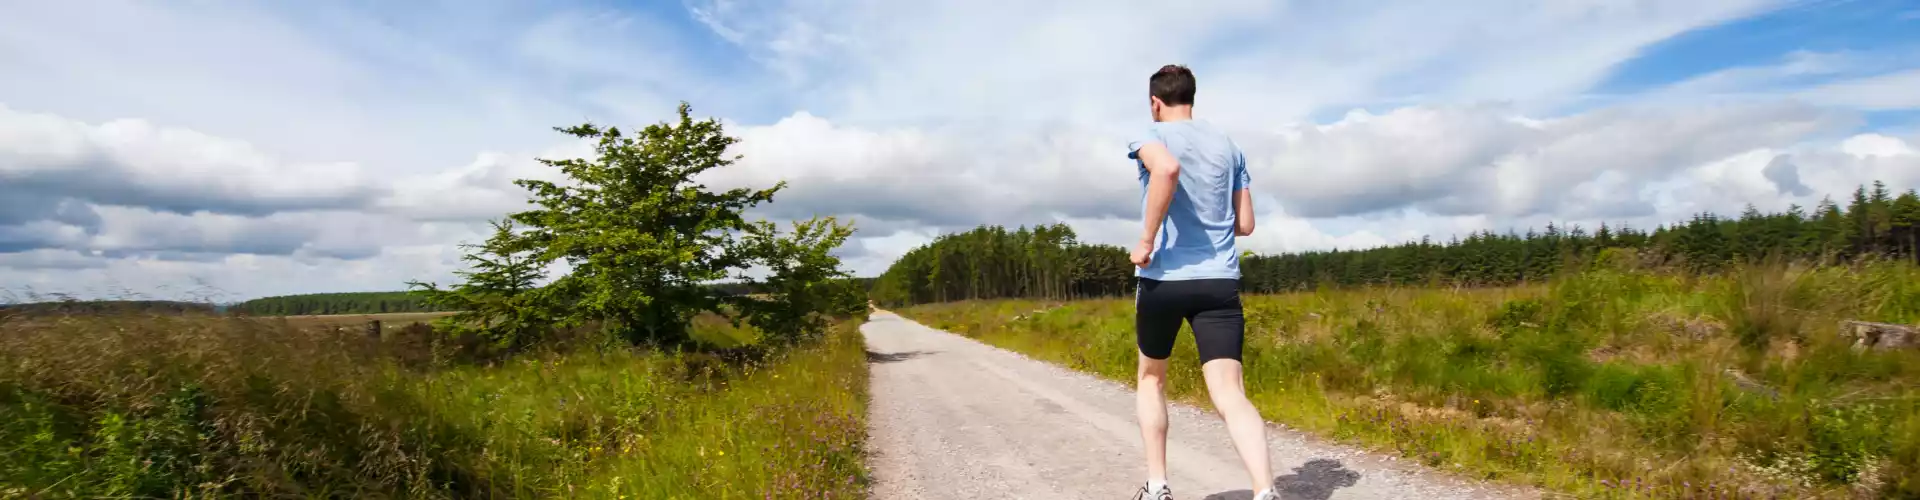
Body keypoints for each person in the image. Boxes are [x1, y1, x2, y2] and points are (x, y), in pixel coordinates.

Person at [1125, 64, 1274, 500]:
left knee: (1151, 379)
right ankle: (1265, 491)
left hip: (1163, 279)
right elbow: (1245, 223)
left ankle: (1157, 486)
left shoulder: (1149, 138)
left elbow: (1166, 170)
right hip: (1219, 282)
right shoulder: (1230, 148)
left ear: (1155, 102)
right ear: (1192, 98)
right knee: (1230, 393)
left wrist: (1146, 240)